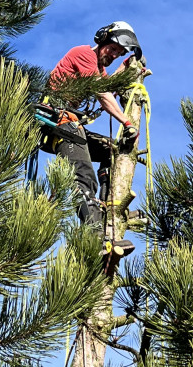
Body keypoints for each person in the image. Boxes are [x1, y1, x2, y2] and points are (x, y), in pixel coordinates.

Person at [46, 21, 143, 237]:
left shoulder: (98, 68)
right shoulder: (83, 53)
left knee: (110, 150)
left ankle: (111, 205)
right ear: (102, 39)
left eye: (118, 53)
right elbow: (103, 95)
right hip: (60, 122)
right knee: (83, 173)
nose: (114, 54)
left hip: (71, 124)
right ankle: (94, 232)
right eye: (113, 48)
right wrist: (126, 122)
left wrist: (125, 71)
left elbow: (107, 88)